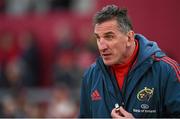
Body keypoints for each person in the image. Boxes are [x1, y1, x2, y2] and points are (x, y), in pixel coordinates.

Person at [79, 4, 180, 118]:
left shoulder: (167, 71)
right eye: (98, 38)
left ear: (129, 38)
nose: (102, 46)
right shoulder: (91, 75)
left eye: (109, 37)